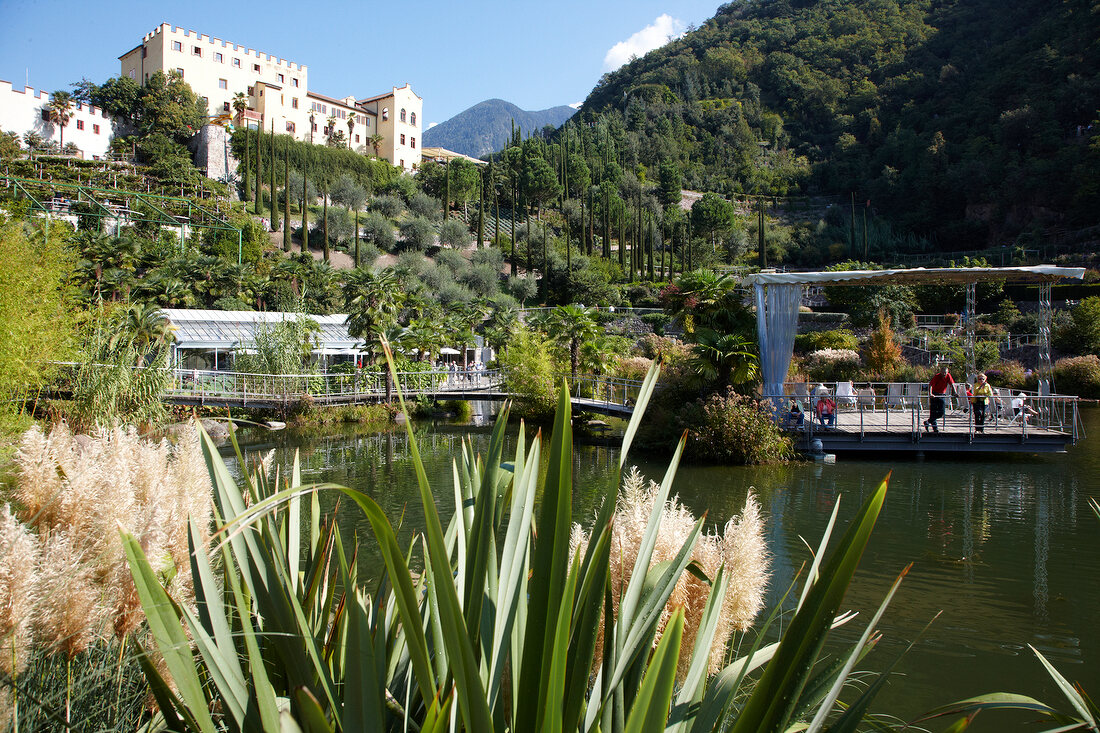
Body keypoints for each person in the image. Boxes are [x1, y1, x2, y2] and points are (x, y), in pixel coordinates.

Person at [924, 364, 956, 433]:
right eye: (943, 372)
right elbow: (930, 385)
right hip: (934, 394)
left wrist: (955, 393)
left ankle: (927, 421)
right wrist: (930, 394)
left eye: (945, 372)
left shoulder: (948, 376)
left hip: (942, 394)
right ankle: (935, 429)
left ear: (947, 372)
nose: (944, 374)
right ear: (940, 372)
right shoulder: (937, 376)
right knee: (933, 412)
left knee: (941, 412)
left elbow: (952, 385)